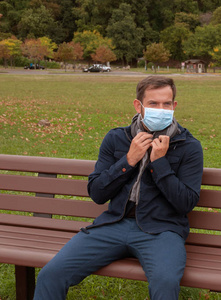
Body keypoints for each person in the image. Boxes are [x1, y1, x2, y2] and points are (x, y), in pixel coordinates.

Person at [34, 76, 204, 300]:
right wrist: (128, 161)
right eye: (153, 103)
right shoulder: (116, 138)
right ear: (138, 105)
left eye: (166, 104)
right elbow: (97, 193)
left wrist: (160, 163)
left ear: (174, 106)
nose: (161, 109)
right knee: (51, 274)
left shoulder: (188, 146)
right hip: (114, 225)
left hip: (161, 230)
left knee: (166, 282)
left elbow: (186, 203)